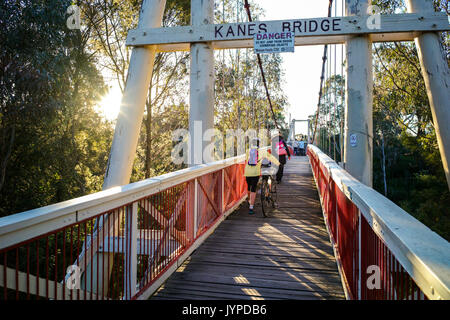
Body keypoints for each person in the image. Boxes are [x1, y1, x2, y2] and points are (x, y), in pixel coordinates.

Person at [244, 138, 280, 215]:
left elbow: (246, 159)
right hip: (255, 173)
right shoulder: (262, 151)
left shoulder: (248, 151)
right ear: (258, 144)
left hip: (247, 172)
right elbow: (271, 157)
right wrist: (278, 163)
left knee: (249, 187)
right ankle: (251, 207)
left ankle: (249, 201)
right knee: (253, 189)